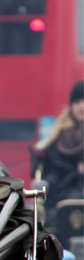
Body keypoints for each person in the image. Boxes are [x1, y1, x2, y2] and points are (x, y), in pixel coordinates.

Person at [34, 80, 84, 210]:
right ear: (71, 106)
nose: (81, 106)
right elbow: (50, 174)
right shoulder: (58, 138)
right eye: (77, 102)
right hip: (62, 202)